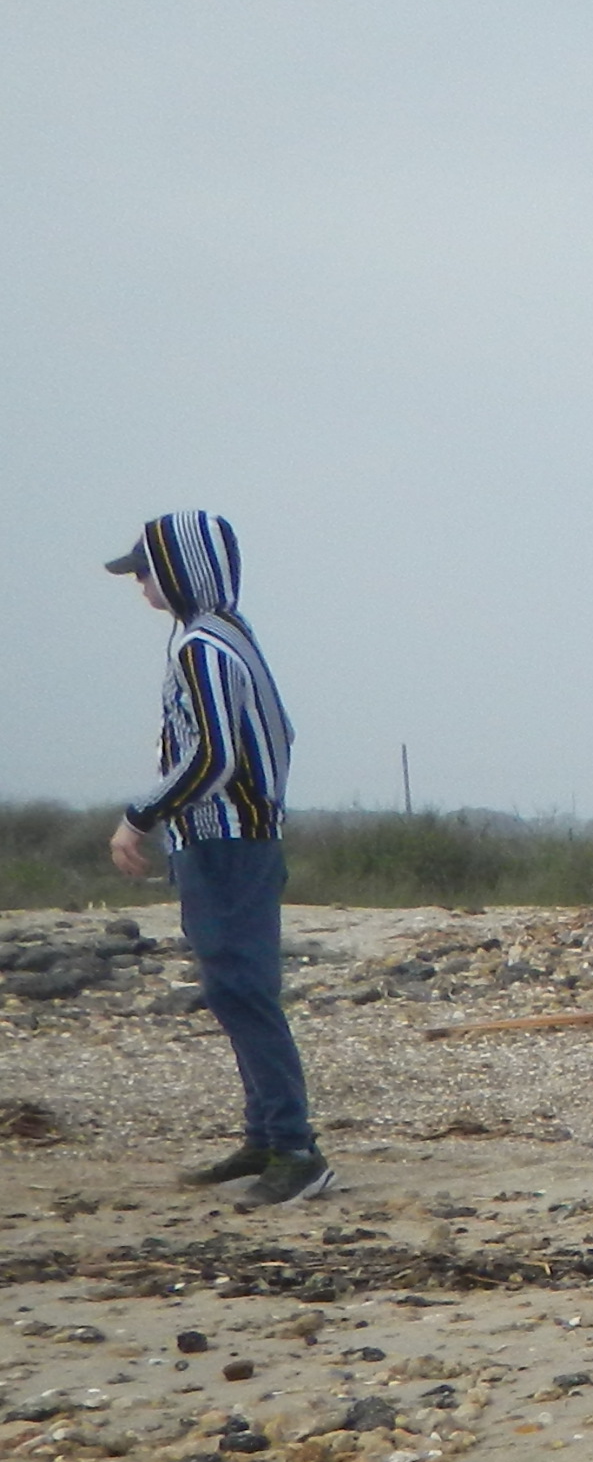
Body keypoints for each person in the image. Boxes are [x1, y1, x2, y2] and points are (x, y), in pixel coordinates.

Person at [104, 512, 329, 1204]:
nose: (140, 582)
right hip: (233, 839)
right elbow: (278, 734)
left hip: (227, 841)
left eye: (146, 569)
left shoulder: (203, 646)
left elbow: (212, 756)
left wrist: (139, 816)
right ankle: (266, 1136)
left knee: (242, 990)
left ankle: (296, 1150)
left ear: (182, 571)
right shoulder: (229, 636)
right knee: (236, 987)